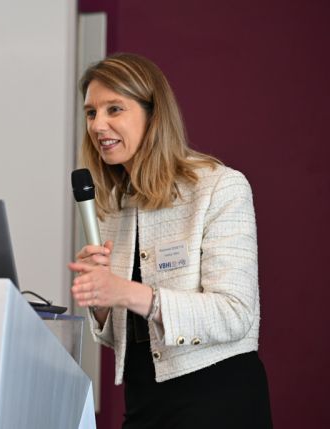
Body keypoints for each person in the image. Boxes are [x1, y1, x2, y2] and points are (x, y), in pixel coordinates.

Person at [68, 53, 272, 428]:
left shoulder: (219, 187)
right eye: (91, 112)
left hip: (218, 402)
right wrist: (100, 300)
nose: (98, 125)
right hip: (145, 401)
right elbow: (128, 332)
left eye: (114, 109)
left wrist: (125, 291)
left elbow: (235, 314)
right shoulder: (114, 205)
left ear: (152, 114)